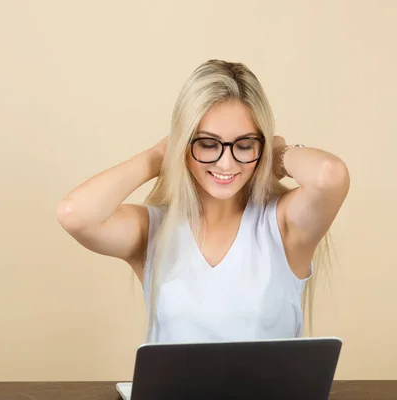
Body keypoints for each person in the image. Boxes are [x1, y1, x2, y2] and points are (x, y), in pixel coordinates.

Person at [56, 59, 350, 344]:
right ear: (184, 144)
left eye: (244, 145)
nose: (225, 163)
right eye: (207, 144)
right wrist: (157, 157)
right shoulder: (152, 231)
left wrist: (279, 155)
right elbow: (75, 214)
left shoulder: (284, 225)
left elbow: (330, 175)